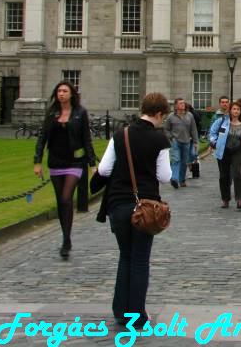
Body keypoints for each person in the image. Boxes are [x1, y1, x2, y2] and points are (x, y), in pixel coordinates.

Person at [95, 92, 172, 327]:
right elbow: (165, 177)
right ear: (159, 114)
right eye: (163, 116)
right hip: (145, 206)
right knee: (140, 260)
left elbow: (105, 170)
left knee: (125, 257)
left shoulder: (121, 135)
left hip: (118, 204)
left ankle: (120, 310)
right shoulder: (160, 140)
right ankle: (137, 316)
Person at [33, 81, 96, 258]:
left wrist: (92, 164)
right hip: (56, 161)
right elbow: (42, 138)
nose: (61, 94)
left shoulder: (80, 113)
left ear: (71, 94)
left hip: (74, 162)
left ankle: (66, 240)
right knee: (61, 202)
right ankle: (66, 238)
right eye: (59, 91)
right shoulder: (51, 113)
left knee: (66, 198)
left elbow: (86, 139)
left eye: (65, 91)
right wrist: (37, 162)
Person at [212, 101, 241, 209]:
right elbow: (212, 132)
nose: (236, 111)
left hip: (238, 150)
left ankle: (240, 199)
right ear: (230, 110)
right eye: (234, 109)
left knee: (237, 174)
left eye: (238, 109)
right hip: (223, 150)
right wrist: (213, 141)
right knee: (224, 176)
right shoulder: (222, 121)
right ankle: (225, 199)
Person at [163, 98, 198, 189]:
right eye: (180, 103)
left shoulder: (190, 115)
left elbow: (193, 129)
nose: (183, 104)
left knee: (184, 162)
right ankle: (174, 179)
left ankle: (182, 180)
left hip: (187, 142)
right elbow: (166, 129)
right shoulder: (171, 116)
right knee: (176, 159)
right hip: (175, 142)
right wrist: (171, 137)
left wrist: (195, 141)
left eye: (183, 103)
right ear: (175, 106)